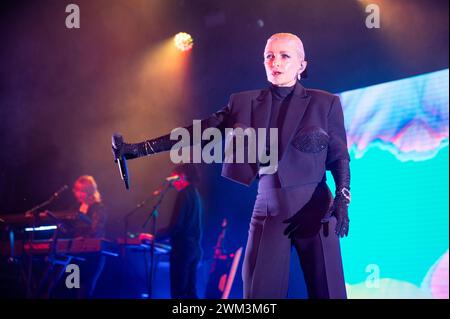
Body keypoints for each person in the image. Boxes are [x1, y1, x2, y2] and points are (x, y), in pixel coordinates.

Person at [112, 33, 351, 299]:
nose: (276, 62)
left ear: (302, 65)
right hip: (268, 208)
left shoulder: (325, 103)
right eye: (269, 56)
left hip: (315, 207)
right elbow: (198, 131)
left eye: (285, 56)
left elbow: (339, 155)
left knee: (328, 293)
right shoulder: (245, 102)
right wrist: (139, 149)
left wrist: (342, 198)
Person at [162, 164, 203, 299]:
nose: (172, 182)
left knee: (178, 293)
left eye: (174, 177)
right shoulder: (195, 194)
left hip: (183, 250)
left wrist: (156, 237)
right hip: (194, 249)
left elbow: (176, 225)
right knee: (191, 293)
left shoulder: (183, 194)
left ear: (182, 176)